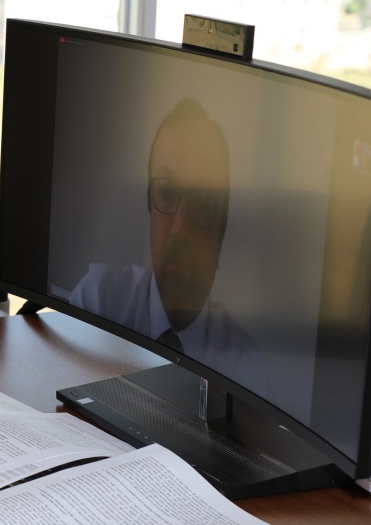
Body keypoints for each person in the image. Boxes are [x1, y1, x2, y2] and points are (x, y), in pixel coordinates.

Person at [68, 97, 269, 393]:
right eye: (165, 191)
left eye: (202, 201)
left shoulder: (246, 367)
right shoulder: (98, 301)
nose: (179, 229)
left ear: (221, 234)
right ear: (149, 206)